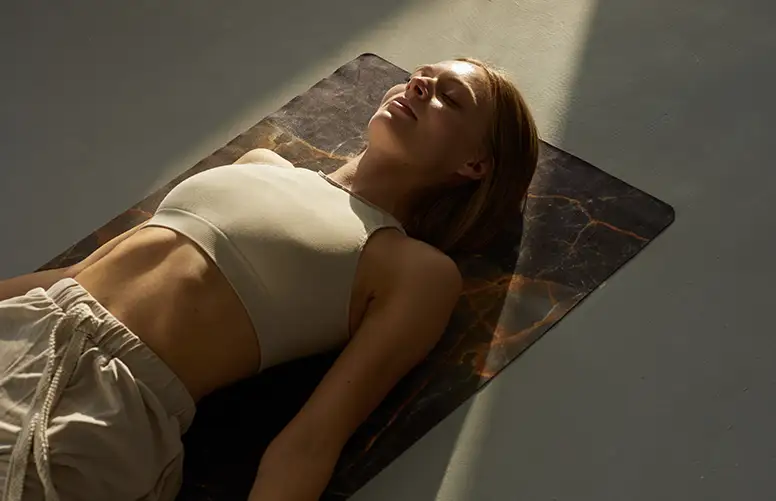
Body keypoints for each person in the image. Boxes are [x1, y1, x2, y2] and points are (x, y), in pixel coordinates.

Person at [0, 58, 538, 501]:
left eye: (450, 95)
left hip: (101, 411)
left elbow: (310, 441)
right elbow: (79, 273)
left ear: (476, 163)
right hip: (25, 329)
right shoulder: (261, 162)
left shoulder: (413, 270)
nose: (419, 83)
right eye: (421, 73)